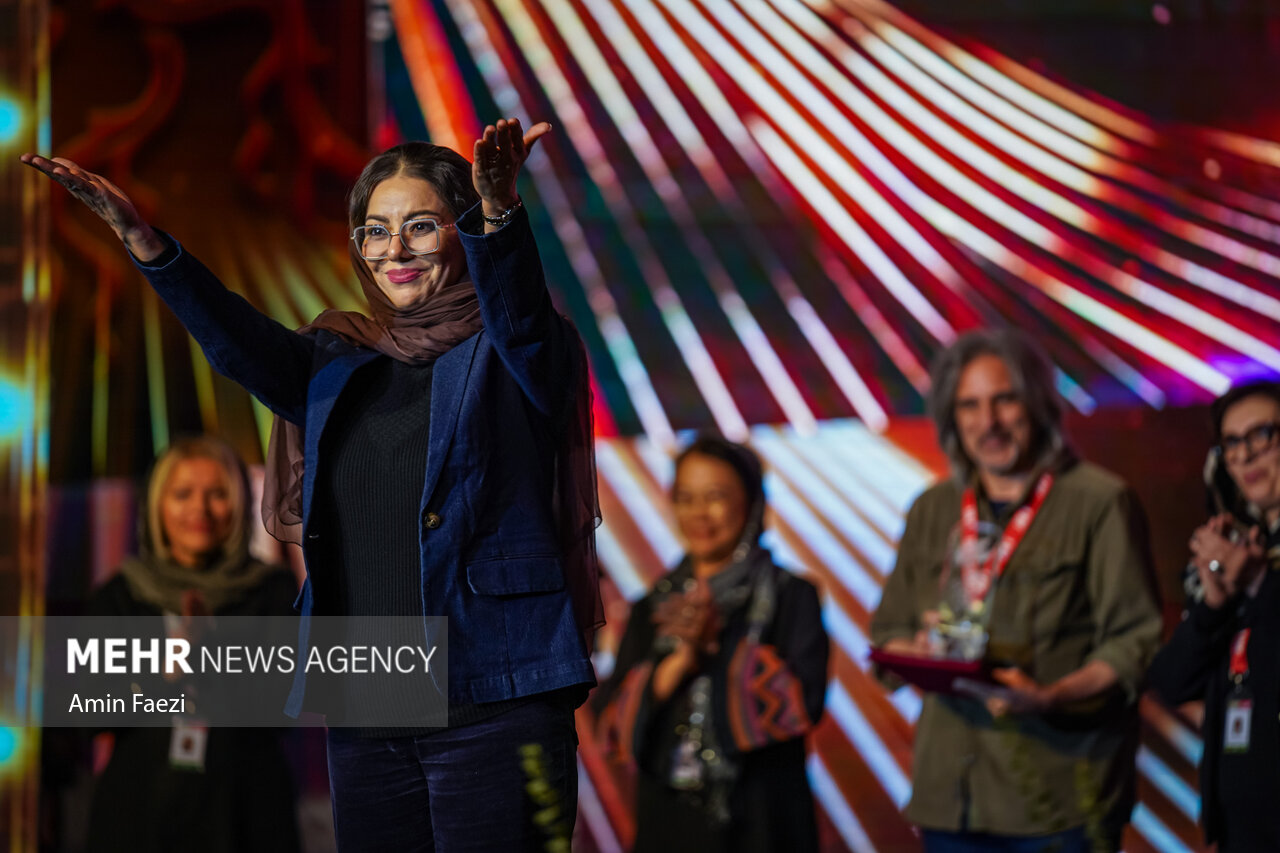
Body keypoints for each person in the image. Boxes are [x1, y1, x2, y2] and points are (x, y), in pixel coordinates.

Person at [24, 117, 602, 851]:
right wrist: (144, 241)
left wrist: (499, 213)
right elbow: (235, 343)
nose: (395, 249)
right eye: (375, 230)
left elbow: (519, 318)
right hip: (368, 716)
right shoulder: (338, 362)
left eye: (421, 226)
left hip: (495, 704)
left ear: (461, 233)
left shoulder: (517, 355)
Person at [870, 329, 1163, 853]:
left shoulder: (1100, 502)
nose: (989, 422)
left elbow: (1133, 643)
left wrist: (1050, 696)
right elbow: (888, 631)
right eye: (970, 405)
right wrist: (915, 652)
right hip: (949, 800)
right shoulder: (931, 509)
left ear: (1038, 404)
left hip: (1058, 801)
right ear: (952, 418)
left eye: (1004, 400)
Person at [592, 435, 829, 853]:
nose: (699, 513)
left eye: (715, 496)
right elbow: (611, 720)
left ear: (752, 503)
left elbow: (802, 702)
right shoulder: (655, 605)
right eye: (686, 498)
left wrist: (719, 646)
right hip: (669, 825)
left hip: (764, 824)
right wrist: (679, 663)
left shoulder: (791, 596)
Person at [86, 435, 301, 853]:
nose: (199, 509)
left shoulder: (272, 591)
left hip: (245, 816)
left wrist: (209, 649)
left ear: (240, 503)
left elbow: (280, 709)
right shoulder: (119, 595)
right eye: (183, 494)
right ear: (157, 505)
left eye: (217, 494)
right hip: (138, 815)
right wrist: (165, 671)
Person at [1147, 381, 1280, 852]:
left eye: (1262, 434)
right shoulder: (1242, 551)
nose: (1245, 455)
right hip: (1241, 827)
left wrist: (1259, 587)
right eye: (1232, 443)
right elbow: (1171, 682)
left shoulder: (1255, 569)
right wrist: (1214, 605)